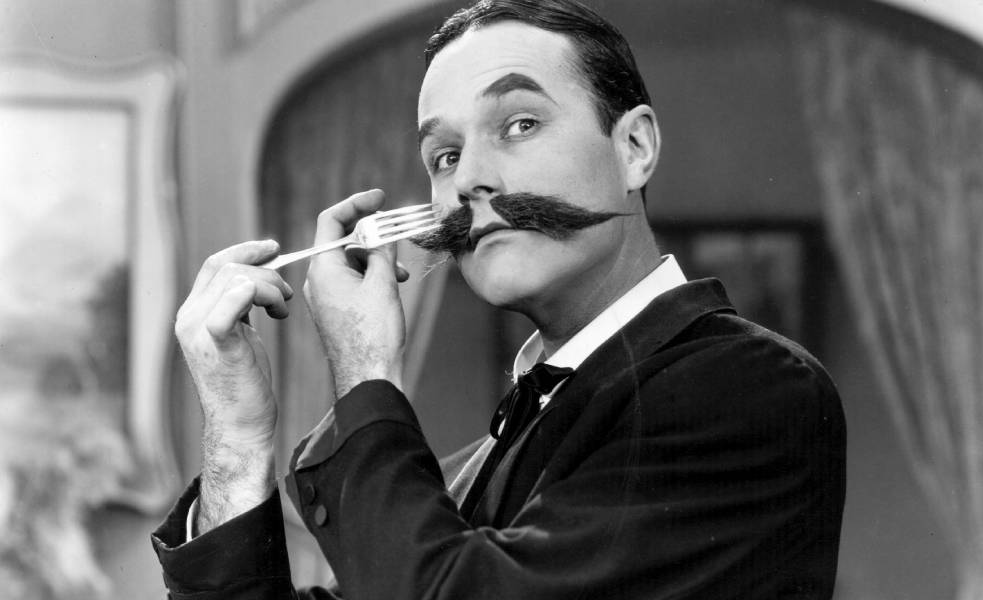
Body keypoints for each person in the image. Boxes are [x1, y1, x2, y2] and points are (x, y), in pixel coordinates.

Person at [151, 1, 846, 598]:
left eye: (519, 124)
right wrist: (236, 438)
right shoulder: (464, 478)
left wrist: (365, 371)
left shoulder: (750, 390)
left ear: (634, 147)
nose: (470, 181)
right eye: (444, 157)